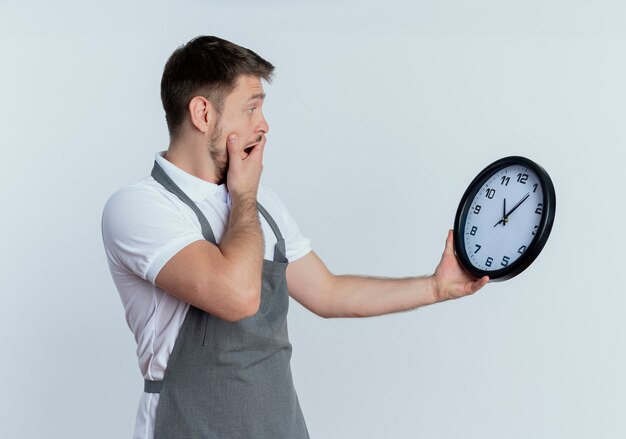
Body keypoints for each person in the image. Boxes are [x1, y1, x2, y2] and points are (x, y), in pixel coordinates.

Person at [100, 35, 489, 439]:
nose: (263, 125)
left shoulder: (260, 202)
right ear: (202, 113)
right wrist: (244, 194)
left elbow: (329, 292)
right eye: (251, 108)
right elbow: (237, 296)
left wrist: (434, 287)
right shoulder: (141, 207)